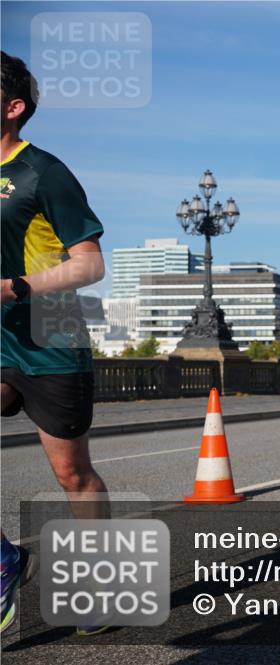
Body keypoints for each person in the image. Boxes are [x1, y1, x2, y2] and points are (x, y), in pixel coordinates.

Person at [1, 52, 110, 636]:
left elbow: (90, 265)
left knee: (73, 475)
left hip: (51, 342)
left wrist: (14, 287)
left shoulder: (44, 172)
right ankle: (5, 561)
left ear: (12, 107)